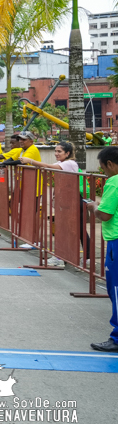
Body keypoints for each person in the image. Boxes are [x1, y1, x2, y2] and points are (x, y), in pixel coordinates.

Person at [91, 146, 118, 352]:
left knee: (116, 290)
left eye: (103, 169)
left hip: (116, 241)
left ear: (110, 164)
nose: (104, 173)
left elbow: (106, 214)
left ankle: (116, 337)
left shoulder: (114, 182)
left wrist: (94, 208)